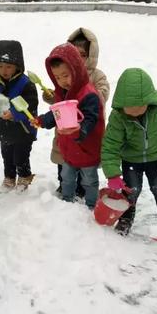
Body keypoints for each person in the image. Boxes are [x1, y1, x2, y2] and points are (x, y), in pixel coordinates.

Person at [101, 68, 157, 235]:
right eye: (130, 109)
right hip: (131, 159)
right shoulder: (118, 116)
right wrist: (112, 174)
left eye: (139, 108)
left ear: (149, 100)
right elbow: (110, 144)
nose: (134, 113)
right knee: (130, 191)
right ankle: (125, 219)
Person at [35, 43, 104, 209]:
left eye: (65, 75)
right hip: (68, 148)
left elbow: (91, 119)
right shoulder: (63, 93)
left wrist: (81, 130)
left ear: (77, 70)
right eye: (57, 77)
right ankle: (67, 202)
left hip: (86, 148)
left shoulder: (89, 95)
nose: (62, 81)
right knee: (66, 177)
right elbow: (56, 114)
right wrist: (42, 121)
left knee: (89, 180)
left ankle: (90, 205)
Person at [44, 28, 110, 196]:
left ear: (91, 55)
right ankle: (65, 186)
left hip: (86, 128)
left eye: (82, 54)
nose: (79, 58)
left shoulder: (97, 75)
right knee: (65, 162)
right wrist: (52, 97)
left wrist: (85, 94)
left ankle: (83, 190)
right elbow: (59, 102)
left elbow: (102, 95)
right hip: (66, 130)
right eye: (75, 53)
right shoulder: (63, 74)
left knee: (86, 168)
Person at [0, 40, 37, 192]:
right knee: (7, 156)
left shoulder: (26, 83)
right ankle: (9, 177)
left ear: (17, 66)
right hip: (4, 129)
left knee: (20, 156)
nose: (4, 70)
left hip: (23, 130)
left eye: (8, 66)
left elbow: (31, 104)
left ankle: (24, 176)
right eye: (0, 66)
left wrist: (14, 114)